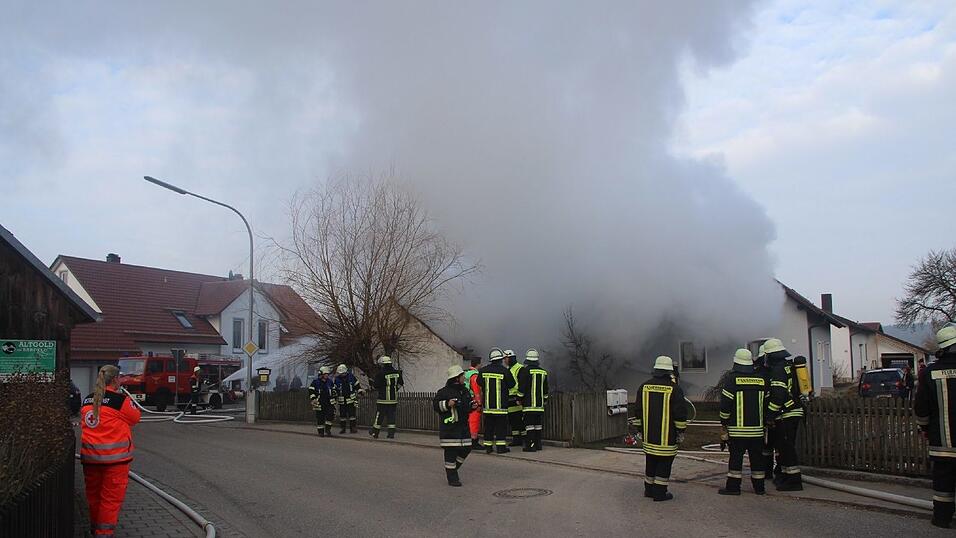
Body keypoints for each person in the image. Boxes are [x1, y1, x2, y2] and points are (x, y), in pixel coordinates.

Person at [80, 365, 141, 537]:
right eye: (120, 378)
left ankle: (95, 528)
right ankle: (103, 533)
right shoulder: (120, 401)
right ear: (115, 380)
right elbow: (135, 418)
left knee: (93, 497)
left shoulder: (87, 400)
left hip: (90, 460)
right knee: (110, 501)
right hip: (115, 463)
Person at [916, 326, 956, 528]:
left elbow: (921, 408)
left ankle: (941, 519)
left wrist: (924, 428)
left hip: (942, 443)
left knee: (943, 485)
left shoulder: (929, 373)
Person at [634, 356, 687, 502]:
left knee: (651, 462)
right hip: (667, 438)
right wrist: (680, 432)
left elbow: (637, 411)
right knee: (664, 464)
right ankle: (660, 492)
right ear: (669, 371)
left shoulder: (644, 386)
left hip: (649, 436)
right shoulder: (674, 389)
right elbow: (680, 413)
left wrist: (640, 429)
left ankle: (649, 490)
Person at [718, 349, 767, 495]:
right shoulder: (761, 380)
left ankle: (733, 488)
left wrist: (724, 421)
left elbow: (725, 405)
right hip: (757, 431)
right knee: (757, 459)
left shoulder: (732, 380)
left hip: (738, 431)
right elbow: (766, 404)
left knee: (736, 459)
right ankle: (759, 488)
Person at [764, 338, 804, 491]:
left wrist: (770, 415)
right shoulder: (788, 366)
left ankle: (794, 481)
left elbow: (778, 395)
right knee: (785, 447)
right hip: (793, 412)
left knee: (787, 448)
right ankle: (786, 477)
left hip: (787, 414)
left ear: (771, 356)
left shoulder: (778, 370)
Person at [433, 365, 475, 486]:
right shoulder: (444, 392)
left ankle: (452, 469)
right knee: (450, 453)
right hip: (449, 429)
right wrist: (447, 403)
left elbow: (465, 406)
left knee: (467, 448)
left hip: (463, 428)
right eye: (462, 376)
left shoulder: (465, 390)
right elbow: (436, 406)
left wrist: (472, 406)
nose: (464, 378)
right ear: (457, 378)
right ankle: (452, 478)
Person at [479, 348, 515, 454]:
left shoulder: (483, 371)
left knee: (488, 428)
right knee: (501, 428)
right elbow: (512, 384)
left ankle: (488, 447)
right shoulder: (505, 371)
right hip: (501, 408)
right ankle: (500, 448)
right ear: (500, 359)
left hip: (488, 407)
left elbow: (479, 382)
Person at [518, 349, 549, 452]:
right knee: (538, 425)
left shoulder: (525, 371)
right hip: (539, 406)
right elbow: (545, 389)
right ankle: (538, 445)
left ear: (527, 360)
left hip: (528, 405)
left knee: (529, 426)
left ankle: (530, 446)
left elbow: (522, 388)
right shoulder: (543, 372)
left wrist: (519, 398)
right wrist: (545, 400)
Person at [370, 355, 404, 439]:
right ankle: (391, 434)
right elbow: (401, 383)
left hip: (383, 400)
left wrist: (373, 383)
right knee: (391, 417)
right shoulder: (397, 373)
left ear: (382, 364)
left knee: (379, 416)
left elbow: (376, 386)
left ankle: (375, 433)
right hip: (393, 400)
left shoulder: (380, 374)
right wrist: (395, 389)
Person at [505, 349, 526, 447]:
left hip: (517, 398)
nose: (504, 360)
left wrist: (519, 397)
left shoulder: (520, 368)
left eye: (506, 358)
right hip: (510, 398)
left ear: (510, 358)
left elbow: (522, 384)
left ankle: (524, 439)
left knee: (520, 420)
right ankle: (516, 439)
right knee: (512, 420)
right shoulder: (509, 369)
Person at [309, 366, 336, 437]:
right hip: (319, 403)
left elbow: (333, 390)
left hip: (329, 402)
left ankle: (328, 429)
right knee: (320, 418)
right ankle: (321, 432)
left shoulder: (330, 382)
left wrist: (335, 396)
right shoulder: (315, 382)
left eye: (327, 374)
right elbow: (311, 391)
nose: (327, 375)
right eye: (325, 374)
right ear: (321, 374)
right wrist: (313, 398)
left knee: (330, 415)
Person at [334, 364, 361, 434]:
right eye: (340, 373)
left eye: (342, 373)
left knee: (352, 415)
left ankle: (353, 428)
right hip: (342, 401)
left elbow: (357, 385)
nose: (342, 374)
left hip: (351, 400)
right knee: (342, 416)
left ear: (345, 372)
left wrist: (360, 391)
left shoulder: (351, 377)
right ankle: (343, 428)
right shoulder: (337, 379)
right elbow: (335, 389)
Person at [464, 357, 483, 449]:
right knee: (474, 422)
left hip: (467, 400)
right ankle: (474, 442)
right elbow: (476, 391)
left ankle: (468, 440)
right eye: (481, 363)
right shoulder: (475, 375)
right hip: (474, 401)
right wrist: (479, 404)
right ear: (478, 364)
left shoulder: (466, 373)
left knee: (469, 421)